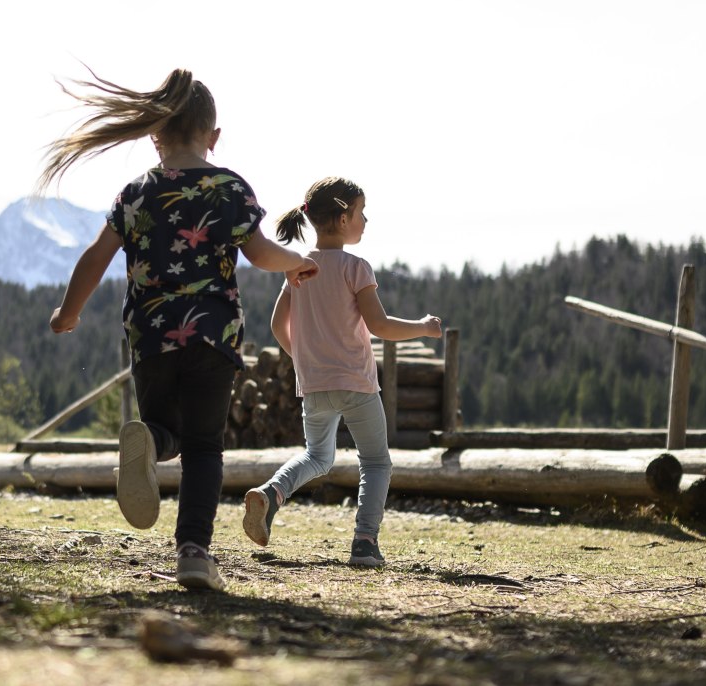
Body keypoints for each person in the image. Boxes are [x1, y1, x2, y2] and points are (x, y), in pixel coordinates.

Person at [41, 69, 318, 591]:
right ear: (213, 137)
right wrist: (296, 262)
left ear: (155, 134)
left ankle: (149, 438)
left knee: (164, 431)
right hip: (213, 336)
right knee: (205, 446)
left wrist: (67, 311)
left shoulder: (137, 192)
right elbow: (259, 253)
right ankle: (193, 551)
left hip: (150, 336)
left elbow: (96, 256)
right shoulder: (228, 187)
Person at [241, 177, 442, 568]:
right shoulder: (356, 268)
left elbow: (277, 326)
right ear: (345, 216)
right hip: (357, 384)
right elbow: (379, 325)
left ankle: (271, 493)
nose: (365, 221)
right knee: (376, 462)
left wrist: (302, 358)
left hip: (313, 385)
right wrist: (422, 326)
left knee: (317, 456)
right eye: (362, 213)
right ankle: (365, 543)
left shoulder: (299, 268)